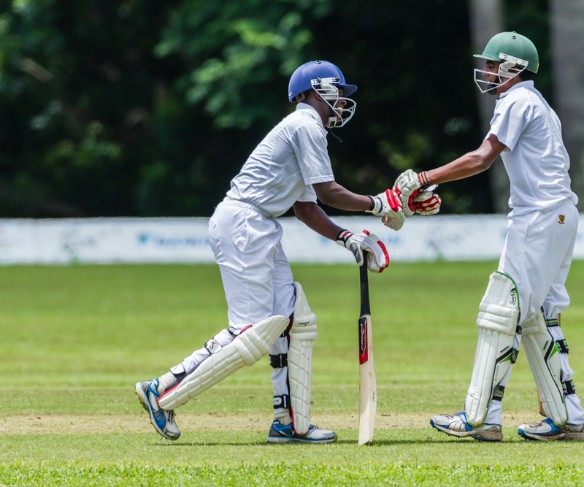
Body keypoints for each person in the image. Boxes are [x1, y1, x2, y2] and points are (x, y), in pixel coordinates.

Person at [134, 60, 419, 444]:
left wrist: (346, 238)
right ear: (312, 92)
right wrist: (379, 203)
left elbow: (306, 208)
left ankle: (290, 423)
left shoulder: (305, 131)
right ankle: (163, 389)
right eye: (336, 93)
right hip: (244, 223)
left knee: (294, 320)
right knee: (249, 332)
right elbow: (328, 192)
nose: (341, 104)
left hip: (259, 225)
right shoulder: (305, 125)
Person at [394, 32, 584, 441]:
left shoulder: (516, 100)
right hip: (559, 216)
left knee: (502, 310)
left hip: (537, 219)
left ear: (512, 69)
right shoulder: (538, 104)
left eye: (492, 65)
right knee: (539, 315)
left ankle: (478, 416)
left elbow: (482, 159)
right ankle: (568, 417)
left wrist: (425, 177)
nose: (485, 71)